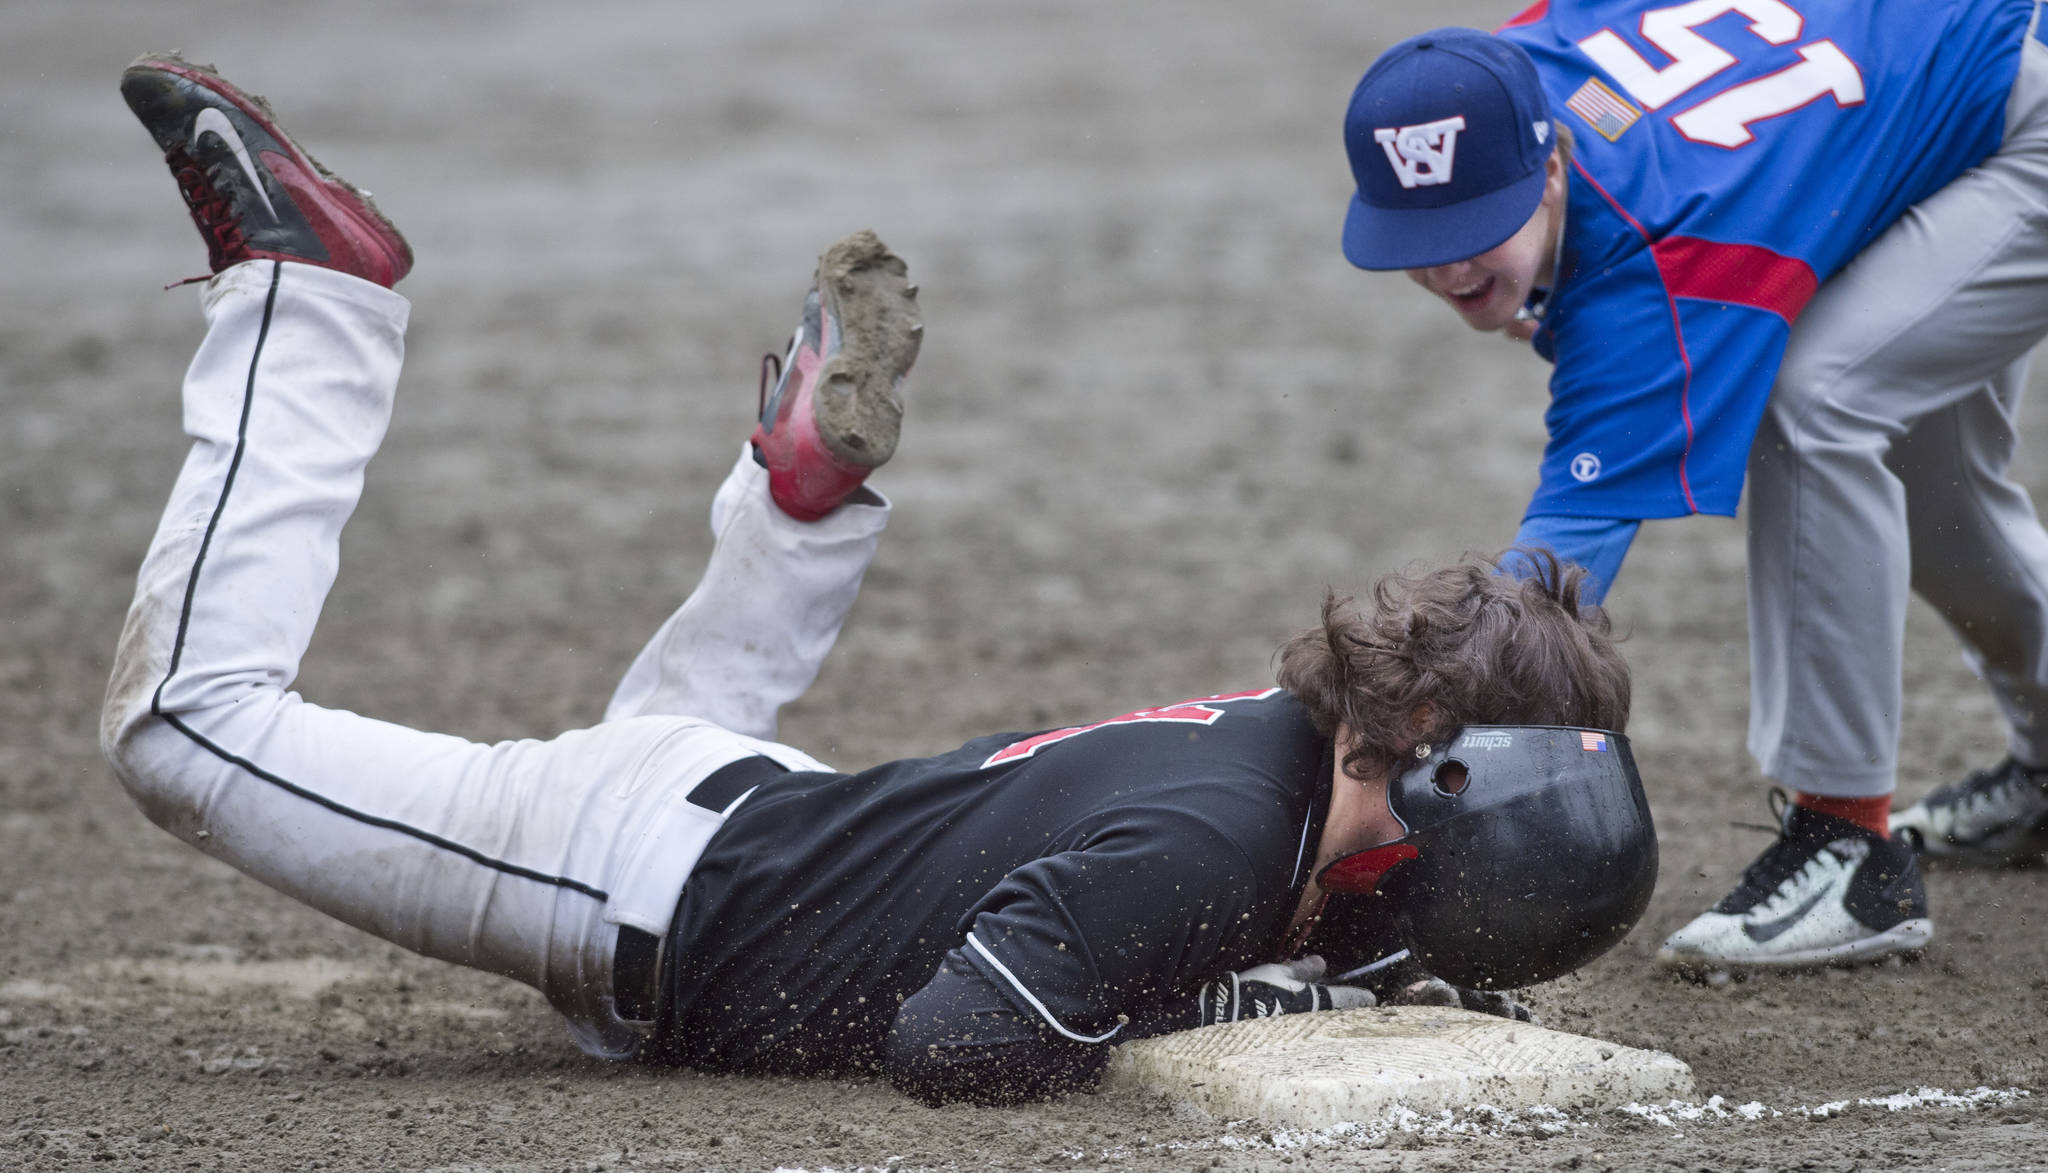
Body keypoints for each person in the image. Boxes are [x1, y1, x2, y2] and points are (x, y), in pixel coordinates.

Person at [102, 53, 1649, 1107]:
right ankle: (309, 306)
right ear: (1417, 732)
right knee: (182, 726)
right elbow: (956, 1045)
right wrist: (1259, 999)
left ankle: (796, 515)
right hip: (631, 880)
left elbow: (1323, 906)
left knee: (687, 755)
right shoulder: (1204, 847)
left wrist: (1362, 964)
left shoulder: (1295, 743)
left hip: (724, 803)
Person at [1336, 1, 2048, 973]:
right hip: (1956, 80)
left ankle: (1847, 847)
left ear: (1547, 169)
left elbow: (1548, 577)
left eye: (1479, 221)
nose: (1450, 259)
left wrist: (1387, 736)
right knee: (1937, 493)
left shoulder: (1664, 263)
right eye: (1418, 228)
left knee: (1815, 405)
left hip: (2013, 117)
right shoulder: (1495, 70)